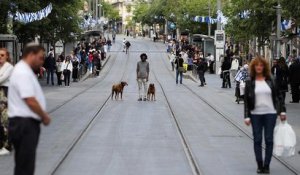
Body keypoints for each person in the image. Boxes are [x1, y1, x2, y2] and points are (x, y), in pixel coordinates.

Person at [8, 44, 51, 175]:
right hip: (24, 125)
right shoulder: (22, 72)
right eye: (40, 58)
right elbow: (30, 100)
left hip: (23, 124)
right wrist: (44, 116)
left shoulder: (24, 70)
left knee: (23, 164)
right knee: (25, 166)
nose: (42, 61)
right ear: (31, 55)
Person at [244, 56, 286, 174]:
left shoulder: (271, 79)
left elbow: (279, 96)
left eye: (261, 65)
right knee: (257, 139)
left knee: (269, 139)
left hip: (270, 114)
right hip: (255, 114)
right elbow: (247, 100)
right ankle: (259, 164)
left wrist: (282, 111)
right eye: (257, 65)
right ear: (253, 67)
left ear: (264, 67)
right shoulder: (250, 81)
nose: (259, 67)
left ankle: (266, 165)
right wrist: (246, 116)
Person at [0, 48, 14, 156]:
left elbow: (2, 79)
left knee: (5, 120)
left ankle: (8, 145)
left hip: (5, 94)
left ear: (7, 56)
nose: (0, 57)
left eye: (2, 55)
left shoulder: (9, 67)